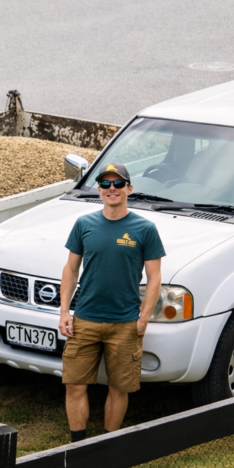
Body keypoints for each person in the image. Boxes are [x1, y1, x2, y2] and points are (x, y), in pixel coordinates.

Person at [58, 163, 165, 441]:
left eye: (118, 184)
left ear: (129, 188)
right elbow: (70, 269)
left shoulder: (145, 229)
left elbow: (154, 278)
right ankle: (78, 446)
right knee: (74, 385)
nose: (112, 189)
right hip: (85, 320)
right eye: (105, 184)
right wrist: (64, 311)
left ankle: (106, 446)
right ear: (99, 190)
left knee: (119, 388)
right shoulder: (84, 224)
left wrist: (143, 318)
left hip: (125, 324)